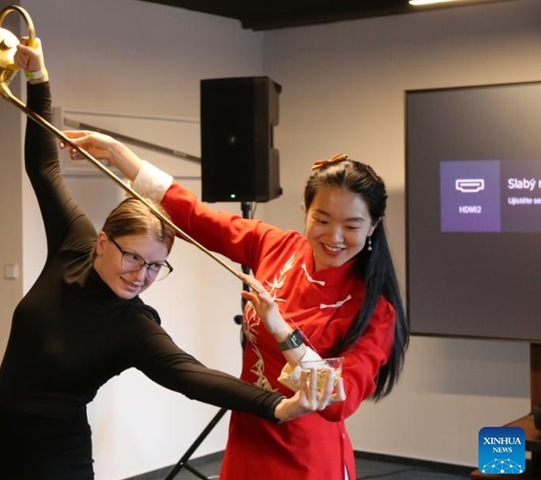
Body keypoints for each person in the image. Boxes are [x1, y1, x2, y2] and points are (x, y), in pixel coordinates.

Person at [0, 38, 344, 480]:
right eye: (134, 258)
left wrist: (278, 406)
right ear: (103, 242)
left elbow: (192, 376)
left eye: (155, 266)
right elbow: (44, 169)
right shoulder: (74, 242)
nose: (142, 275)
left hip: (54, 454)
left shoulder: (134, 326)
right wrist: (38, 79)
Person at [61, 130, 409, 479]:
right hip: (249, 432)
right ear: (306, 210)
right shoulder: (278, 246)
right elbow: (195, 218)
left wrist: (284, 332)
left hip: (306, 453)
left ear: (373, 226)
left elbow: (340, 400)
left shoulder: (375, 308)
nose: (333, 237)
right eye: (321, 220)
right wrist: (120, 157)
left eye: (351, 225)